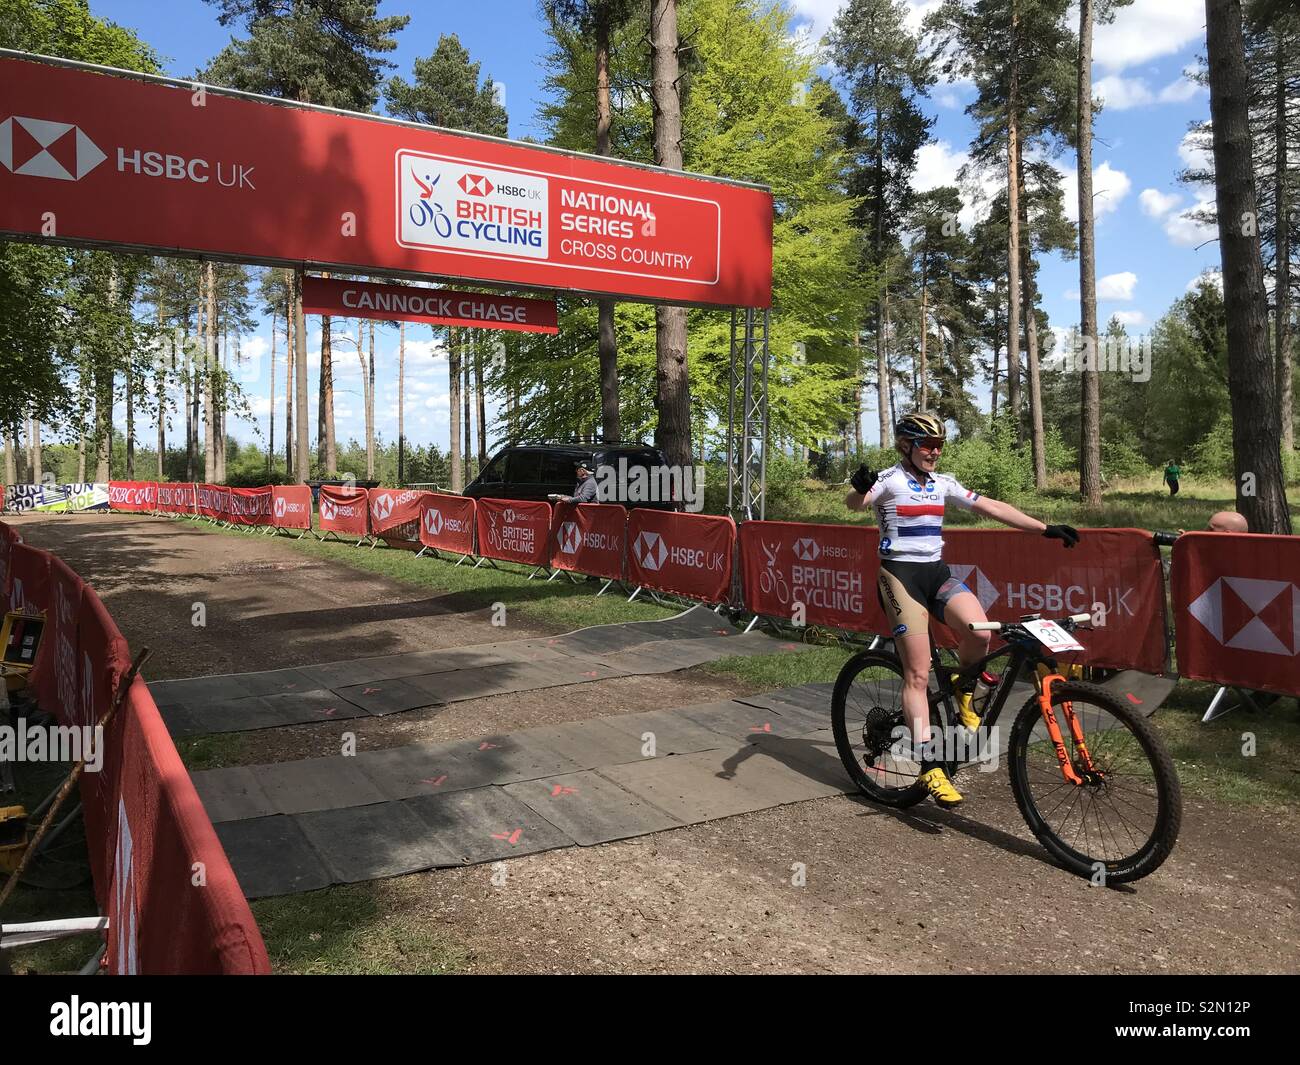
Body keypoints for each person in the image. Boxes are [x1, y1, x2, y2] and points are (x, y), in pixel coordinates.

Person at [845, 411, 1080, 809]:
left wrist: (1044, 528)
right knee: (917, 673)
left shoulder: (943, 483)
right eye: (927, 445)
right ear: (906, 445)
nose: (934, 452)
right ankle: (930, 766)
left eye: (939, 446)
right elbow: (856, 503)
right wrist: (858, 486)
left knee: (979, 630)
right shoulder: (889, 479)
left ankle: (963, 685)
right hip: (900, 576)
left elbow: (991, 507)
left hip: (936, 573)